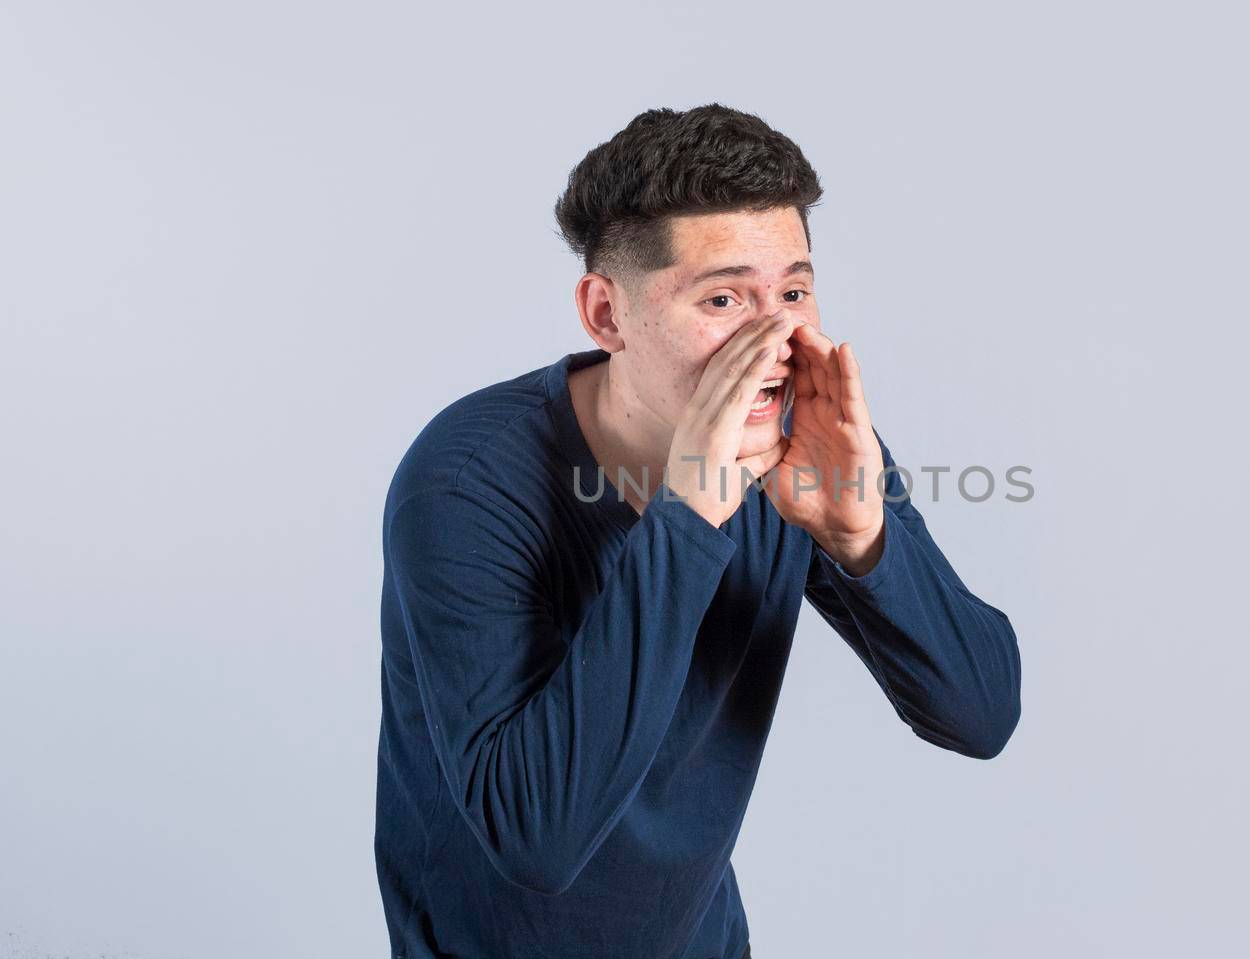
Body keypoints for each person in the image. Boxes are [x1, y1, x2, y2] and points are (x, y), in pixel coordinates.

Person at [374, 103, 1023, 959]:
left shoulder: (801, 436)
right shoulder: (466, 478)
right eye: (723, 298)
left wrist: (863, 538)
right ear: (606, 314)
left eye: (793, 291)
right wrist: (689, 514)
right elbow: (538, 840)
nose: (778, 338)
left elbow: (980, 716)